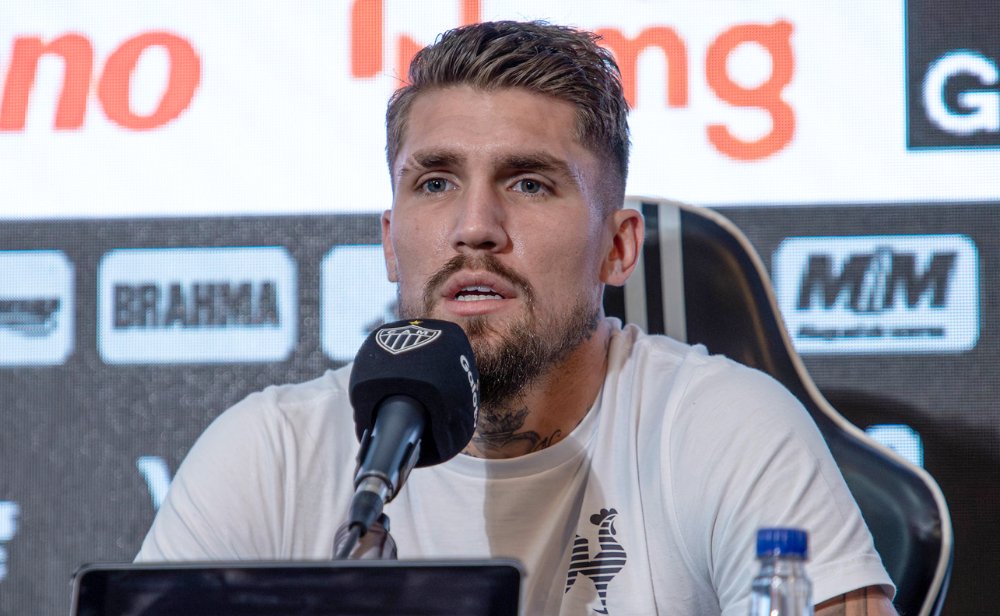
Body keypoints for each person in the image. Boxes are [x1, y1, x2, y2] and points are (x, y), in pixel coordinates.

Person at [137, 20, 898, 615]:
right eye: (435, 182)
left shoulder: (726, 429)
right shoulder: (272, 453)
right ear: (391, 242)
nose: (475, 225)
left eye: (529, 184)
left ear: (618, 247)